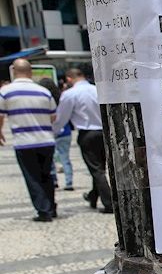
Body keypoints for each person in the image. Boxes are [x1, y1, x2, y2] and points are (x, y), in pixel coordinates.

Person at [0, 59, 57, 222]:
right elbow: (53, 116)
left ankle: (44, 211)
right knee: (46, 175)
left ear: (13, 71)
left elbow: (0, 115)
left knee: (32, 177)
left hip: (24, 141)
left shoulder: (6, 91)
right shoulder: (44, 92)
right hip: (46, 140)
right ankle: (51, 207)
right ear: (30, 72)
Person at [54, 66, 113, 213]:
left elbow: (62, 118)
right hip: (103, 132)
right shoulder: (97, 89)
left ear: (69, 79)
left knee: (96, 170)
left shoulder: (70, 94)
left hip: (87, 134)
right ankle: (93, 196)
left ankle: (110, 203)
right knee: (99, 167)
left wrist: (54, 132)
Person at [38, 78, 74, 192]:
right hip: (65, 131)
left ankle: (54, 180)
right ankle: (69, 182)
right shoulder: (62, 98)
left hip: (49, 131)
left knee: (50, 158)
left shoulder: (43, 100)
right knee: (65, 157)